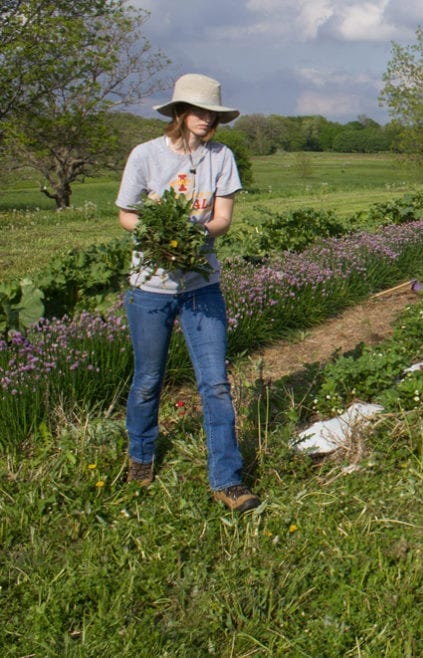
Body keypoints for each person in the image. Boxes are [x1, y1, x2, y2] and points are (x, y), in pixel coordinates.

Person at [115, 73, 260, 513]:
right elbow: (126, 214)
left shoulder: (221, 157)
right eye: (198, 110)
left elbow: (222, 219)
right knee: (147, 382)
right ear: (179, 112)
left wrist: (191, 236)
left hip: (202, 286)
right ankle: (141, 456)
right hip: (150, 289)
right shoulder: (146, 156)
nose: (205, 119)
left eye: (211, 112)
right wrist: (159, 233)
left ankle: (227, 480)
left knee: (215, 383)